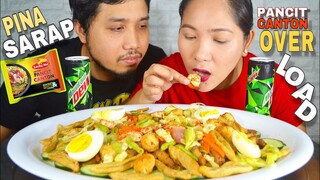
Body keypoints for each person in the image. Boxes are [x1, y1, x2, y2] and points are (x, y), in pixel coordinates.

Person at [0, 0, 166, 142]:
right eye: (117, 28)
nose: (134, 43)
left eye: (142, 25)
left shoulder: (154, 62)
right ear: (81, 30)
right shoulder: (35, 70)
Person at [128, 0, 306, 131]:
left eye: (220, 40)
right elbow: (119, 124)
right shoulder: (167, 74)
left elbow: (302, 156)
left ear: (246, 42)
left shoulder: (269, 81)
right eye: (190, 36)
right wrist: (145, 96)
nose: (200, 54)